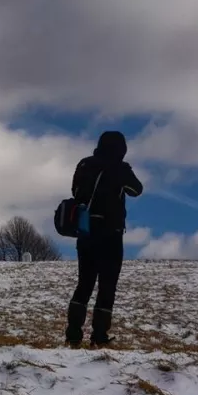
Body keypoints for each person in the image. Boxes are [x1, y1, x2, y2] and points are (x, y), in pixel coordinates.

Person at [65, 131, 143, 349]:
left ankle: (73, 335)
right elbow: (136, 190)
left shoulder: (84, 165)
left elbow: (75, 191)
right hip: (110, 233)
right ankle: (99, 336)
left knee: (84, 284)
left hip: (86, 231)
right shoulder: (120, 168)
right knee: (107, 286)